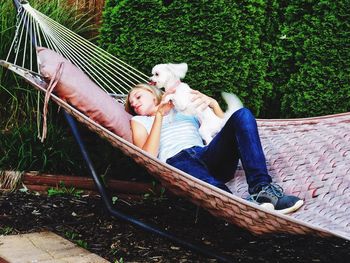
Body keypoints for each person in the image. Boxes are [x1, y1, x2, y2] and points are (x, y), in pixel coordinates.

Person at [125, 83, 304, 214]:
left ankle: (263, 190)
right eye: (132, 104)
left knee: (242, 114)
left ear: (151, 91)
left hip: (207, 154)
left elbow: (223, 128)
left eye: (138, 96)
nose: (134, 103)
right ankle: (239, 207)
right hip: (177, 163)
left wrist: (213, 104)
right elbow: (147, 156)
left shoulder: (184, 108)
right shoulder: (139, 121)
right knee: (190, 166)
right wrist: (158, 115)